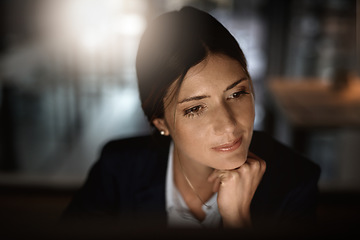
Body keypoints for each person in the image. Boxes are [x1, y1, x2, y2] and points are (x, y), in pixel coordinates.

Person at [63, 6, 320, 230]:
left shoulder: (294, 181)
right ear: (160, 122)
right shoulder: (119, 169)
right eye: (195, 108)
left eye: (237, 93)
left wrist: (238, 220)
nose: (229, 125)